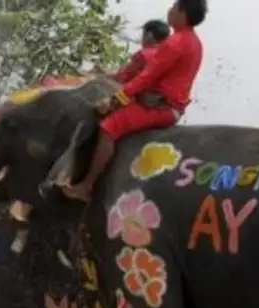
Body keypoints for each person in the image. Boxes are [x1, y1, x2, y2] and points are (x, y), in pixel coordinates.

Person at [62, 0, 207, 201]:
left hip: (160, 107)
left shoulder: (175, 43)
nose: (170, 10)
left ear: (183, 13)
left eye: (174, 7)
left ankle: (86, 186)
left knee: (108, 127)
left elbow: (145, 78)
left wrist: (113, 101)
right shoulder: (195, 43)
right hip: (172, 106)